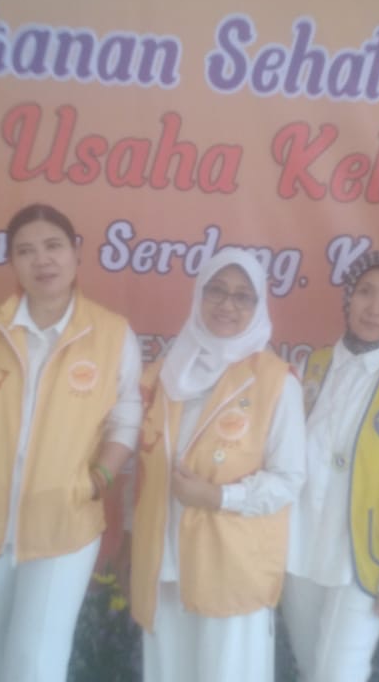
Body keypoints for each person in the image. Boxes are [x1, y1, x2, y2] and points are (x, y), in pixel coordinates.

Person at [0, 202, 142, 682]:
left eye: (53, 246)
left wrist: (99, 477)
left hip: (64, 518)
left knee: (36, 658)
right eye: (25, 251)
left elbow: (127, 414)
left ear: (76, 252)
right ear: (12, 261)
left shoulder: (111, 334)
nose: (41, 260)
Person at [128, 249, 306, 682]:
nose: (227, 305)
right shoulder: (163, 375)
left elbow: (289, 480)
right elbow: (142, 468)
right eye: (217, 291)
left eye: (243, 296)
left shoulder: (275, 381)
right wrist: (131, 537)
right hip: (164, 563)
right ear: (199, 295)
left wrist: (218, 496)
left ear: (258, 305)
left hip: (231, 566)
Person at [282, 250, 379, 682]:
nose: (374, 307)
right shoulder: (312, 366)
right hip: (300, 548)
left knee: (339, 673)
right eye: (366, 292)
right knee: (310, 668)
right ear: (348, 298)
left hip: (362, 557)